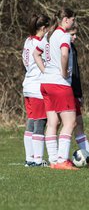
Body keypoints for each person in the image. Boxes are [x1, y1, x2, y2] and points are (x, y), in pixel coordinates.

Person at [33, 7, 78, 170]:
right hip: (59, 84)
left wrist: (45, 71)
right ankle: (62, 160)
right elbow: (64, 54)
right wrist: (64, 71)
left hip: (45, 84)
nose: (74, 22)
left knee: (52, 123)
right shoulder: (64, 35)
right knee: (70, 122)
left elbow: (35, 54)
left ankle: (53, 160)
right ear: (66, 19)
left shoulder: (48, 35)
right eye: (73, 19)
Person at [22, 14, 50, 167]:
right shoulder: (41, 43)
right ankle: (38, 160)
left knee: (31, 122)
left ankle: (29, 159)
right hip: (37, 87)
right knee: (40, 122)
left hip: (27, 86)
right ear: (44, 28)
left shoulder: (28, 40)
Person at [68, 23, 89, 154]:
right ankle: (57, 157)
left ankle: (87, 154)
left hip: (73, 92)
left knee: (78, 123)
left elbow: (75, 73)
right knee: (62, 124)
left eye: (76, 34)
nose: (75, 37)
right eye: (72, 34)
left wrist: (78, 93)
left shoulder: (72, 48)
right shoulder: (61, 47)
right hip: (63, 90)